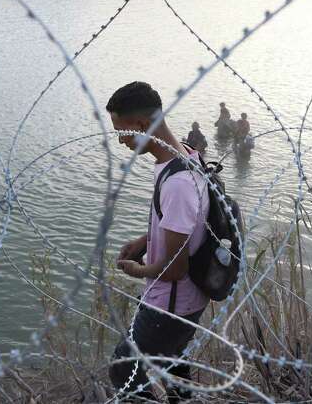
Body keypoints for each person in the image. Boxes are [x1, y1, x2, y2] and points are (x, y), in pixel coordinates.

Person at [106, 82, 209, 402]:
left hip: (171, 303)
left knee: (123, 367)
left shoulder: (177, 183)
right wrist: (145, 240)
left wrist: (137, 270)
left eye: (120, 130)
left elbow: (175, 268)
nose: (121, 140)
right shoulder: (187, 157)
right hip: (187, 300)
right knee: (171, 363)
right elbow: (184, 224)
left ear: (139, 125)